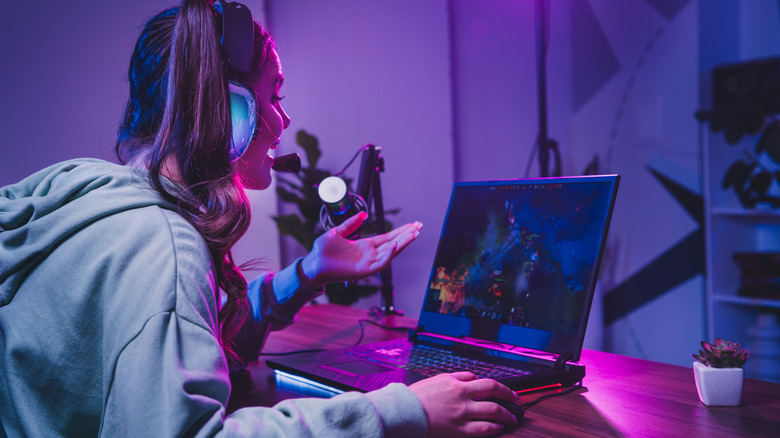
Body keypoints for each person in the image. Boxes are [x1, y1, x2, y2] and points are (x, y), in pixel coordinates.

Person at [0, 1, 522, 436]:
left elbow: (186, 343)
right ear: (229, 113)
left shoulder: (88, 202)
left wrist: (308, 273)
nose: (285, 120)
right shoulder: (161, 244)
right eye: (274, 95)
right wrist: (400, 411)